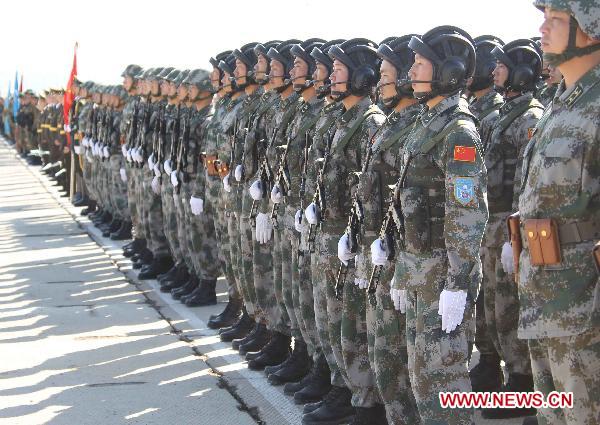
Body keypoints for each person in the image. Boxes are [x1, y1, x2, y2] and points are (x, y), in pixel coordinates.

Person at [384, 26, 488, 424]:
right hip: (418, 268)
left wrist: (458, 283)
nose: (411, 69)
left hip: (443, 273)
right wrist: (401, 268)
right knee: (421, 379)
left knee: (443, 382)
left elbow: (467, 212)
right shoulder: (426, 123)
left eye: (420, 62)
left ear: (449, 72)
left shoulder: (458, 131)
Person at [512, 1, 600, 423]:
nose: (543, 29)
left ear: (591, 26)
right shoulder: (562, 102)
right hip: (546, 295)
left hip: (586, 308)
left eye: (557, 21)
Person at [480, 38, 545, 419]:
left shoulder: (530, 118)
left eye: (502, 66)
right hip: (491, 223)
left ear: (520, 71)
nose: (494, 72)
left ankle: (522, 381)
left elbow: (529, 180)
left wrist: (514, 235)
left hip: (509, 225)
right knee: (492, 305)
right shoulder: (503, 114)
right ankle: (503, 370)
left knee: (509, 307)